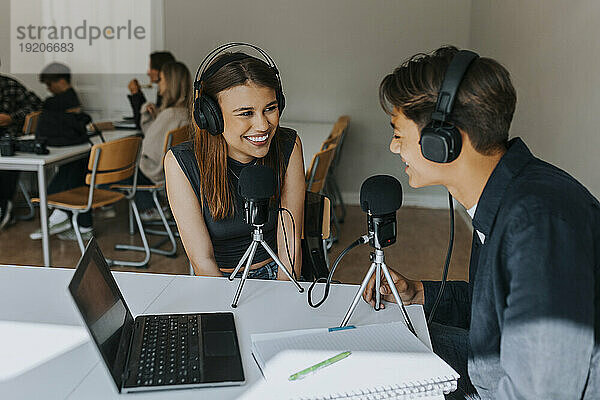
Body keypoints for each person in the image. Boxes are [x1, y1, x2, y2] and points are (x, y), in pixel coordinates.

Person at [362, 46, 599, 399]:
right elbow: (502, 307)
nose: (394, 148)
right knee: (372, 348)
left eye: (398, 134)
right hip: (498, 368)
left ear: (444, 140)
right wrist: (419, 293)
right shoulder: (506, 195)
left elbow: (543, 392)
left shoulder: (537, 226)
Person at [164, 49, 304, 280]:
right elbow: (203, 262)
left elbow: (290, 240)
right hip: (220, 280)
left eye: (270, 108)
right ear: (211, 117)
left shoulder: (289, 145)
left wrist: (284, 296)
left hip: (280, 271)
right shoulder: (181, 163)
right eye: (245, 113)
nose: (262, 125)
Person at [29, 63, 94, 241]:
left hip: (59, 146)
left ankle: (61, 213)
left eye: (50, 84)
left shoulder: (53, 103)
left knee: (74, 165)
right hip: (72, 146)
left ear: (61, 81)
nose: (49, 89)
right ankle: (75, 221)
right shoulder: (71, 99)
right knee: (77, 164)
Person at [134, 61, 191, 220]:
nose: (158, 84)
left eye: (161, 79)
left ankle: (149, 208)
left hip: (156, 172)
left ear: (170, 83)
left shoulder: (169, 115)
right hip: (176, 170)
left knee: (124, 167)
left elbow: (148, 148)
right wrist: (155, 117)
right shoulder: (185, 112)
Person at [0, 60, 42, 230]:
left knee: (7, 154)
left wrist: (12, 118)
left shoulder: (10, 85)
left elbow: (37, 105)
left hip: (8, 139)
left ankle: (4, 203)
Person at [127, 51, 175, 128]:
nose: (148, 72)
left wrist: (136, 94)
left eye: (151, 68)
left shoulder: (168, 97)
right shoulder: (171, 94)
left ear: (162, 71)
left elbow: (145, 126)